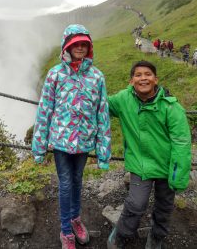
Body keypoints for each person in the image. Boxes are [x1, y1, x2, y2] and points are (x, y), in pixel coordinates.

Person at [32, 24, 111, 249]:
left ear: (89, 46)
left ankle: (76, 219)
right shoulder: (55, 74)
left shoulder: (97, 77)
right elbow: (45, 109)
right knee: (66, 183)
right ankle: (66, 230)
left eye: (83, 43)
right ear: (67, 45)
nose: (80, 47)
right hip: (60, 142)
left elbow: (102, 113)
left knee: (77, 181)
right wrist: (38, 146)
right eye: (75, 43)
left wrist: (104, 152)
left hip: (84, 141)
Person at [106, 60, 191, 249]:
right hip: (139, 164)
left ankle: (157, 237)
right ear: (131, 81)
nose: (143, 78)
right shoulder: (123, 99)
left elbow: (181, 143)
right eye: (138, 75)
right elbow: (101, 105)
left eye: (148, 74)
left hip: (167, 166)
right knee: (135, 204)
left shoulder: (171, 107)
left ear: (155, 79)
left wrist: (177, 175)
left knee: (164, 207)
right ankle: (122, 233)